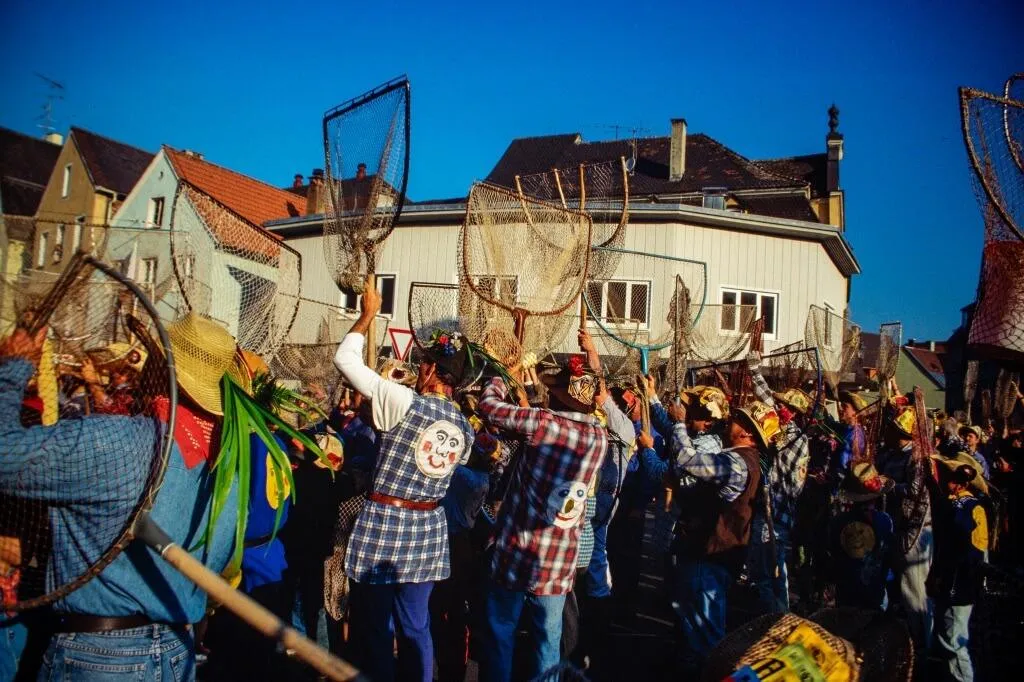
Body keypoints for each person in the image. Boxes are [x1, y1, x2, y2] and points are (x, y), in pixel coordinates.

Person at [1, 313, 240, 681]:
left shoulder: (119, 442)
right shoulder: (228, 470)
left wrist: (13, 368)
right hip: (177, 654)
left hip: (100, 658)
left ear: (158, 368)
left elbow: (5, 455)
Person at [332, 279, 474, 682]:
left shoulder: (402, 399)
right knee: (416, 627)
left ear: (430, 370)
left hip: (384, 528)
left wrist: (368, 314)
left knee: (374, 628)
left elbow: (346, 362)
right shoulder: (463, 427)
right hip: (427, 531)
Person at [476, 353, 608, 682]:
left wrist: (502, 374)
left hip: (518, 551)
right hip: (559, 557)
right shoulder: (599, 439)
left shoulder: (543, 424)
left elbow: (489, 407)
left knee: (500, 632)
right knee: (547, 642)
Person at [665, 396, 777, 675]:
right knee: (697, 632)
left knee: (706, 638)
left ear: (748, 433)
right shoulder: (747, 461)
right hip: (714, 555)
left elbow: (686, 459)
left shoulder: (737, 463)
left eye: (740, 420)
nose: (731, 420)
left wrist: (679, 423)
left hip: (709, 555)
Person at [746, 352, 811, 614]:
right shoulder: (794, 435)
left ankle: (775, 621)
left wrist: (755, 371)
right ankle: (779, 617)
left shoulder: (791, 436)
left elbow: (768, 402)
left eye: (784, 407)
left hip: (775, 515)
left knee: (765, 574)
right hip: (779, 514)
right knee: (774, 570)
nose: (778, 409)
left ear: (792, 412)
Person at [876, 398, 933, 666]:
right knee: (898, 584)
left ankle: (923, 645)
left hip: (916, 530)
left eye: (898, 433)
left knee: (914, 588)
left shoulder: (917, 459)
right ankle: (905, 637)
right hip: (900, 526)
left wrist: (889, 485)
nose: (893, 436)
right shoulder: (896, 455)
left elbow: (915, 493)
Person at [929, 454, 989, 682]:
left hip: (958, 580)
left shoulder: (960, 508)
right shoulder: (973, 506)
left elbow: (959, 548)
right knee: (950, 633)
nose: (946, 483)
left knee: (953, 639)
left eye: (951, 480)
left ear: (962, 484)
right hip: (962, 578)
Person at [829, 462, 895, 610]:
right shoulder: (884, 520)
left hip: (846, 590)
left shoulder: (838, 522)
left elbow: (833, 553)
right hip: (875, 590)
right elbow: (889, 555)